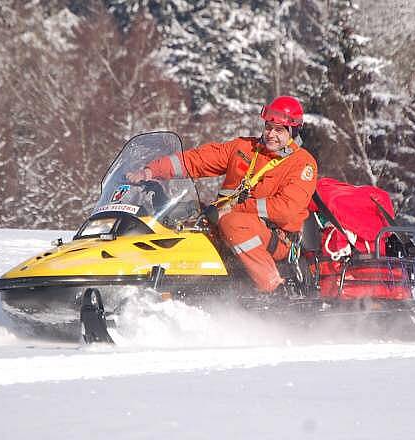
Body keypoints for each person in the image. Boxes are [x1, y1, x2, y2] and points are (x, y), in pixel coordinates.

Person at [127, 96, 318, 294]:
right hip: (226, 221)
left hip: (275, 238)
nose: (271, 134)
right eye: (268, 127)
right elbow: (198, 160)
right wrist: (151, 171)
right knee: (180, 216)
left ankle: (274, 288)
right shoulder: (244, 148)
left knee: (233, 222)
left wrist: (231, 208)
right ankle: (168, 284)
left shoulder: (302, 163)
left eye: (279, 130)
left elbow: (285, 209)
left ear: (293, 132)